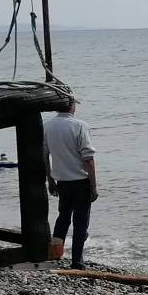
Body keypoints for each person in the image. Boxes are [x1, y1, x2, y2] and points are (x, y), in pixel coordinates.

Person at [43, 93, 97, 268]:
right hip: (80, 181)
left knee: (63, 218)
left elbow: (45, 155)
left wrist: (50, 180)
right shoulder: (80, 126)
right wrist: (93, 185)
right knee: (80, 222)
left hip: (62, 181)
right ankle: (77, 261)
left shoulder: (48, 126)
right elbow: (88, 158)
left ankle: (55, 254)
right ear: (72, 106)